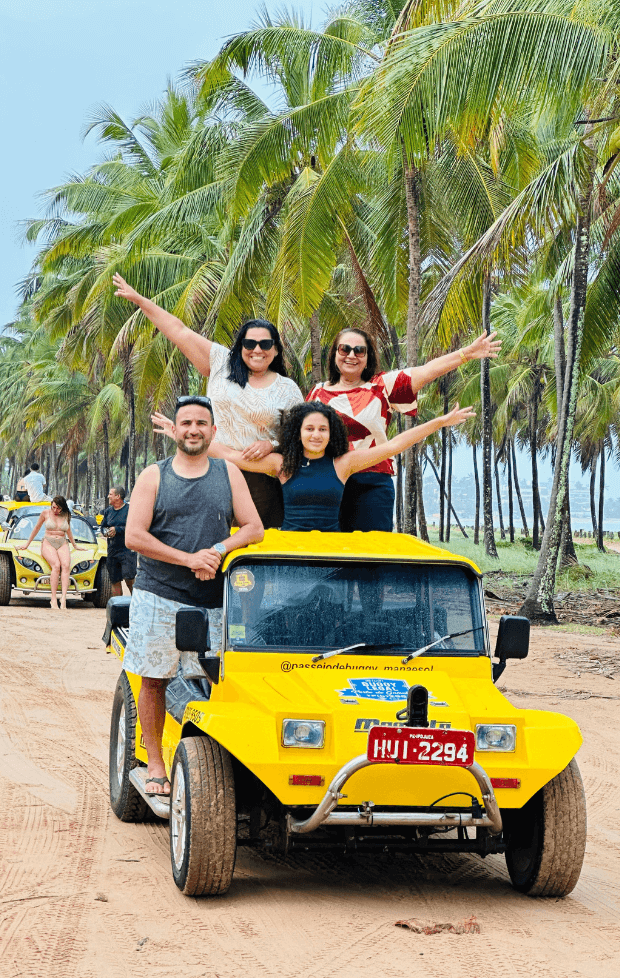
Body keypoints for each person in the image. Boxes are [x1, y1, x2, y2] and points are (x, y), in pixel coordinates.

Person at [124, 395, 264, 795]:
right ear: (175, 430)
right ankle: (154, 765)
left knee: (218, 682)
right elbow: (135, 536)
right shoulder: (154, 475)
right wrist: (188, 559)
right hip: (159, 594)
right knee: (154, 680)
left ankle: (218, 769)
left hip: (216, 600)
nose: (193, 430)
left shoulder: (228, 472)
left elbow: (253, 528)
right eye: (185, 423)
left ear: (213, 431)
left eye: (201, 424)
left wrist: (218, 550)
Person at [112, 274, 303, 528]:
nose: (258, 349)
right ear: (239, 346)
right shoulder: (221, 362)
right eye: (250, 343)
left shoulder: (287, 388)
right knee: (207, 539)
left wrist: (270, 444)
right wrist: (140, 301)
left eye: (266, 343)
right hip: (212, 469)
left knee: (255, 548)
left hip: (261, 478)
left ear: (276, 349)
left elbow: (297, 436)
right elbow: (178, 330)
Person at [307, 328, 501, 531]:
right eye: (344, 349)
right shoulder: (317, 392)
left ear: (368, 356)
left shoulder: (381, 386)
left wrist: (467, 353)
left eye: (359, 350)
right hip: (326, 483)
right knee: (328, 554)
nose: (351, 355)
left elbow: (427, 371)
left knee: (373, 556)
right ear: (335, 353)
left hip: (371, 484)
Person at [208, 400, 475, 532]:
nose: (316, 434)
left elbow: (393, 446)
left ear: (331, 433)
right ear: (297, 433)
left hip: (332, 548)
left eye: (322, 429)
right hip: (292, 548)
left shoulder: (343, 464)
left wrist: (439, 422)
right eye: (309, 428)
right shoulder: (282, 465)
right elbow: (229, 455)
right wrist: (184, 436)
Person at [16, 495, 88, 609]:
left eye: (58, 508)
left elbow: (68, 531)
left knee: (65, 565)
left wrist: (75, 545)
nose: (55, 510)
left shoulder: (66, 515)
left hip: (62, 542)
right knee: (56, 565)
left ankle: (63, 597)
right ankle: (53, 598)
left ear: (63, 508)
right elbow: (36, 528)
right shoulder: (45, 513)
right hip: (48, 541)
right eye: (54, 507)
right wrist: (26, 544)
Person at [100, 486, 137, 597]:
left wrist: (117, 529)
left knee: (129, 578)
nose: (108, 496)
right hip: (112, 550)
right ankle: (118, 606)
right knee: (114, 580)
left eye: (110, 494)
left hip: (127, 550)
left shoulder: (130, 510)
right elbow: (103, 527)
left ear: (118, 496)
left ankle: (136, 603)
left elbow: (134, 528)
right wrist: (106, 532)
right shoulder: (108, 511)